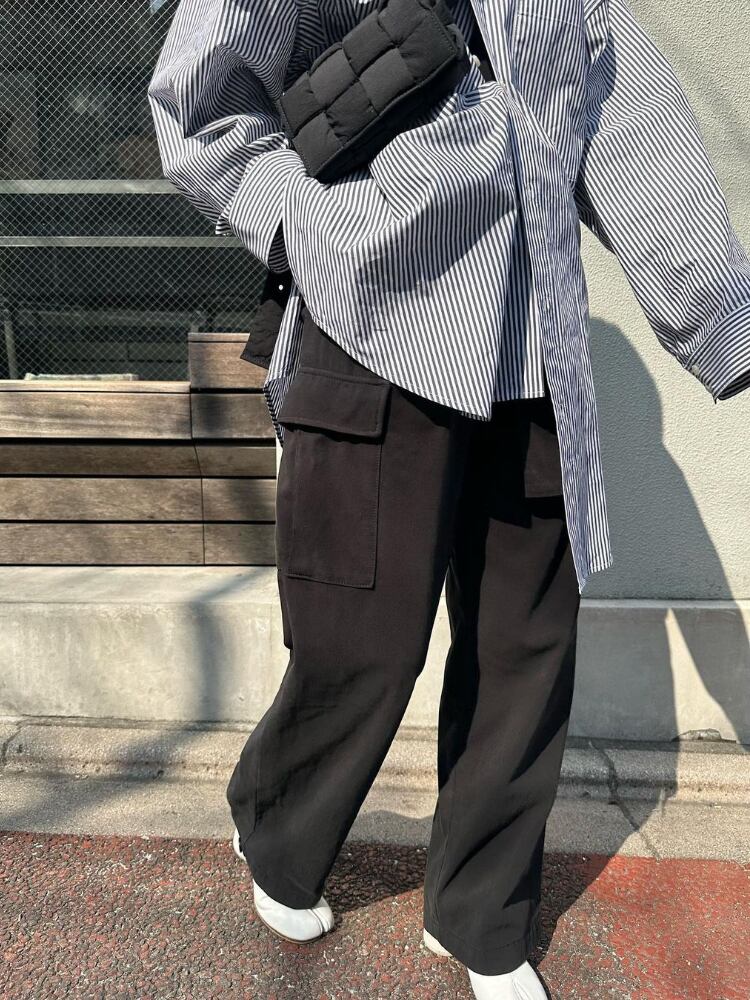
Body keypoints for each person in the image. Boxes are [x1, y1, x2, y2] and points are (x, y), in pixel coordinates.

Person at [147, 1, 750, 996]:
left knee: (527, 645)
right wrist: (308, 224)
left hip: (538, 343)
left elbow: (637, 137)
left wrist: (723, 320)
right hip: (371, 321)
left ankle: (481, 916)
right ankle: (280, 833)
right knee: (360, 638)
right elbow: (200, 96)